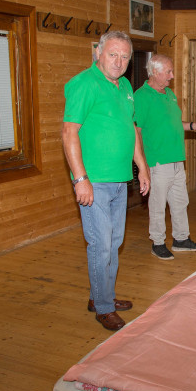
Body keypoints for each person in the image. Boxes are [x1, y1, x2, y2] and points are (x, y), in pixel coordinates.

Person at [61, 31, 150, 331]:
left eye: (124, 57)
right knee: (101, 245)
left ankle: (101, 296)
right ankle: (103, 307)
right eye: (113, 54)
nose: (119, 62)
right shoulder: (84, 83)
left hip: (120, 179)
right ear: (98, 53)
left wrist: (142, 167)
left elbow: (131, 129)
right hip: (95, 181)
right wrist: (80, 179)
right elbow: (69, 132)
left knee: (113, 243)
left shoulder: (125, 86)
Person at [134, 55, 196, 260]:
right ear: (154, 72)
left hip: (177, 159)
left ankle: (181, 239)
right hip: (158, 161)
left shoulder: (169, 94)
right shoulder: (141, 96)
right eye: (168, 72)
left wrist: (194, 126)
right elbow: (137, 131)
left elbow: (174, 123)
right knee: (158, 205)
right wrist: (143, 164)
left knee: (180, 202)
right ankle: (158, 243)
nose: (172, 76)